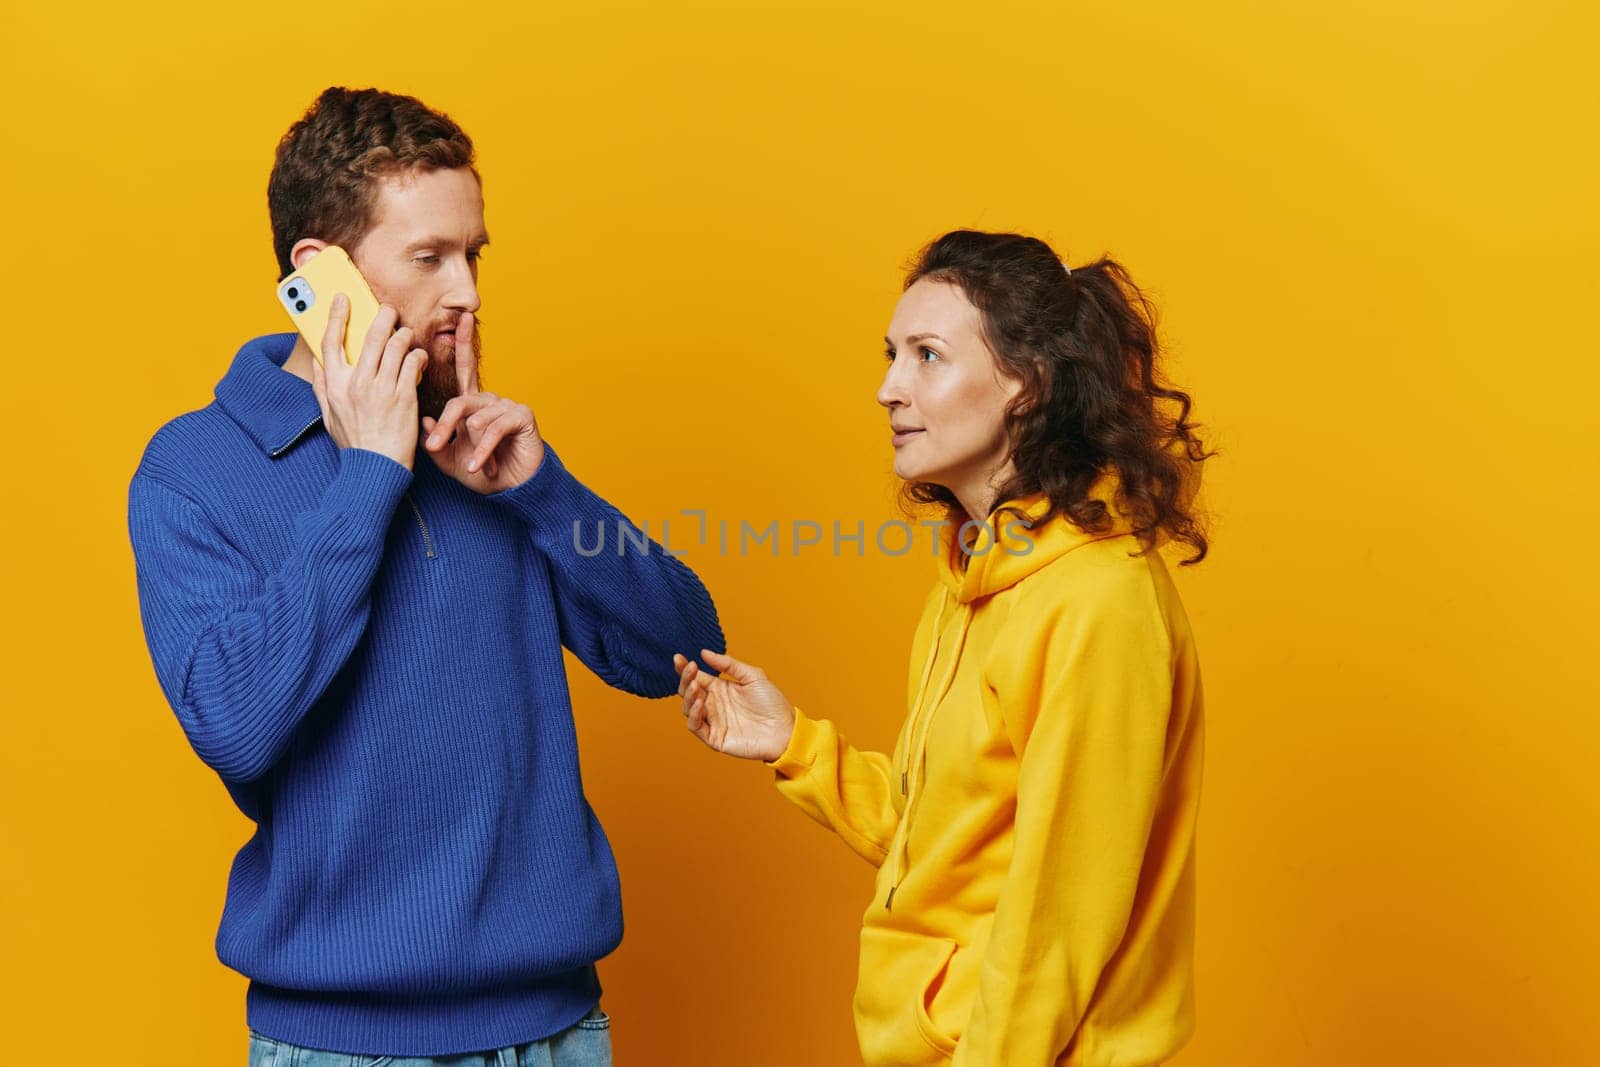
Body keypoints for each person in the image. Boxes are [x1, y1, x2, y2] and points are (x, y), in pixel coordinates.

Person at [127, 86, 725, 1065]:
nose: (469, 293)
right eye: (429, 257)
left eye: (474, 253)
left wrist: (543, 490)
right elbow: (233, 723)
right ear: (320, 276)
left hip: (557, 1030)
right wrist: (368, 474)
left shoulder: (483, 450)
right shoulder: (194, 467)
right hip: (335, 1044)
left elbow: (685, 650)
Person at [673, 230, 1212, 1066]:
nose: (888, 387)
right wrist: (797, 746)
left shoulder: (1096, 600)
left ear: (1026, 385)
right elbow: (949, 835)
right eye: (892, 354)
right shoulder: (973, 575)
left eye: (928, 356)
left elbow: (1061, 917)